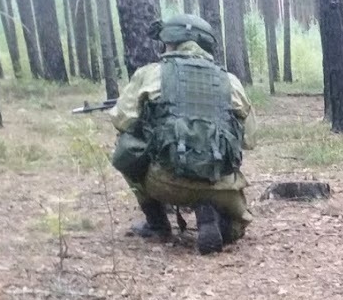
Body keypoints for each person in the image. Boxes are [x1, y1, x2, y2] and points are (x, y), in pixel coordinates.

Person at [109, 14, 256, 254]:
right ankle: (214, 214)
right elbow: (250, 139)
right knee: (233, 230)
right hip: (221, 187)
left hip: (163, 181)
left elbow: (121, 120)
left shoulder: (150, 74)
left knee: (125, 146)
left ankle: (157, 222)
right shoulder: (230, 82)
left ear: (169, 40)